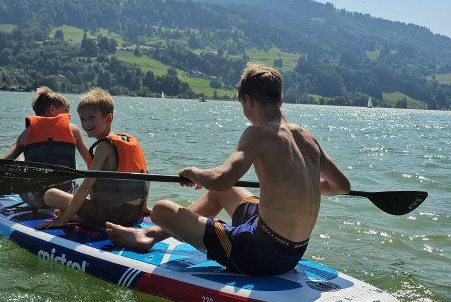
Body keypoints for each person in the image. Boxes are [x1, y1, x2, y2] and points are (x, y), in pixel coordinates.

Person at [106, 63, 350, 276]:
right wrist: (296, 186)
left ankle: (151, 234)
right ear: (279, 99)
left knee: (161, 210)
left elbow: (221, 178)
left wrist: (193, 171)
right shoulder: (306, 136)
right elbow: (342, 186)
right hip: (293, 252)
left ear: (248, 101)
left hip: (261, 255)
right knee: (226, 192)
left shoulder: (257, 132)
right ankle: (151, 236)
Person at [0, 86, 91, 222]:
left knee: (17, 159)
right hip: (64, 195)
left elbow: (0, 166)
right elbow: (91, 163)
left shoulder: (27, 134)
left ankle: (4, 173)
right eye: (66, 112)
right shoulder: (73, 130)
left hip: (35, 198)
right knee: (73, 172)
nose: (68, 117)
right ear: (53, 110)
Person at [37, 88, 150, 230]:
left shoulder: (104, 146)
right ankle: (79, 216)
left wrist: (63, 220)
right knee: (86, 198)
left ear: (108, 118)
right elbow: (144, 175)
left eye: (91, 117)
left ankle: (76, 217)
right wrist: (144, 208)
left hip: (113, 216)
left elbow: (85, 187)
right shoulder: (126, 140)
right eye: (83, 118)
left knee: (51, 195)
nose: (86, 123)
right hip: (134, 214)